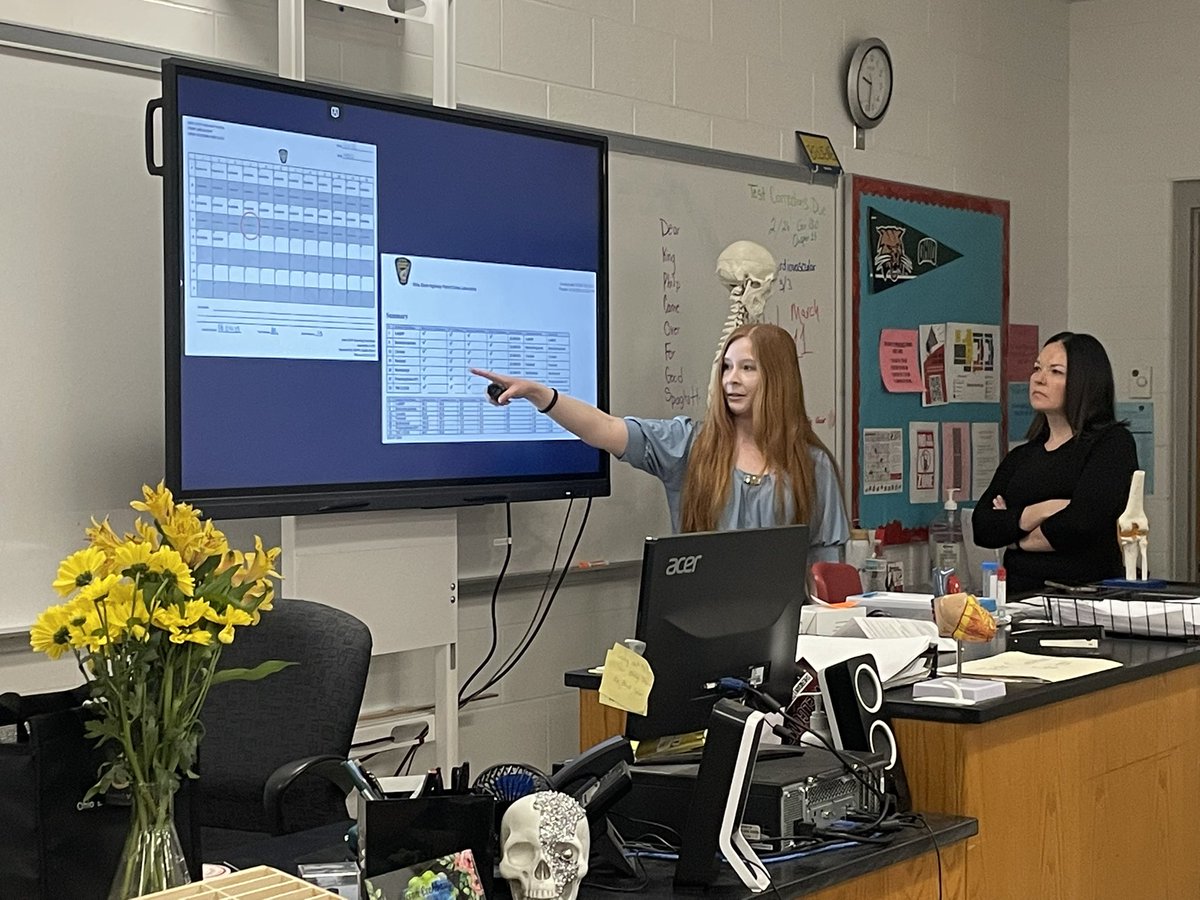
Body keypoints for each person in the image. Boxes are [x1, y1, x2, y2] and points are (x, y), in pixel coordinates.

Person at [472, 322, 849, 563]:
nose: (731, 380)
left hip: (787, 639)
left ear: (778, 378)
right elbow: (604, 429)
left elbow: (828, 575)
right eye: (727, 367)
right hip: (700, 634)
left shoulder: (811, 466)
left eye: (748, 368)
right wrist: (543, 396)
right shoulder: (690, 445)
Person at [972, 331, 1138, 594]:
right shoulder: (1023, 456)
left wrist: (1015, 538)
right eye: (1037, 368)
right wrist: (1044, 509)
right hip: (1018, 600)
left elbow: (1082, 524)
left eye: (1055, 372)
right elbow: (982, 526)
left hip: (1082, 603)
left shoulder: (1112, 443)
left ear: (1085, 382)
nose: (1039, 378)